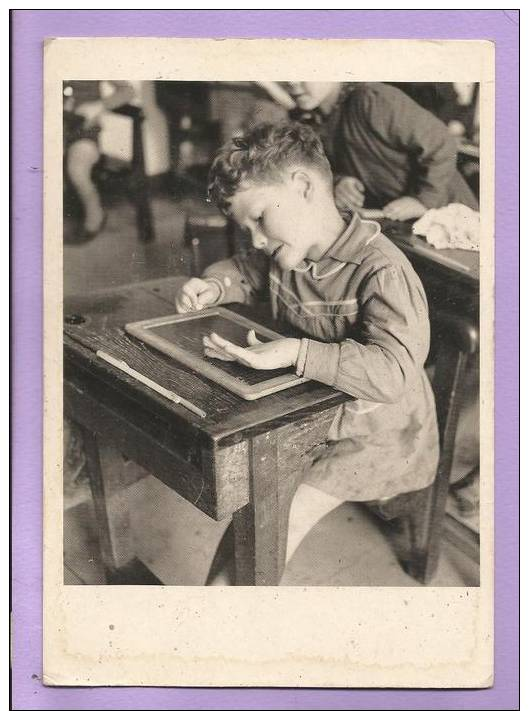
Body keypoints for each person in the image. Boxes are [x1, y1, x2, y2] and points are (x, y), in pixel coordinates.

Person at [175, 122, 440, 582]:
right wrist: (214, 285)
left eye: (259, 218)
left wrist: (298, 351)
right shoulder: (288, 252)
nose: (256, 238)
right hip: (314, 419)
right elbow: (245, 270)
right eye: (248, 228)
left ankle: (224, 612)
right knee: (255, 505)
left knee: (277, 518)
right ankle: (223, 601)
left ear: (302, 187)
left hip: (381, 434)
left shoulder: (382, 272)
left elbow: (392, 373)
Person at [282, 82, 478, 221]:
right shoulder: (312, 121)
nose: (292, 82)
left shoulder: (372, 100)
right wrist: (340, 181)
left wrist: (422, 200)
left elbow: (441, 142)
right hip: (399, 222)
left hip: (451, 217)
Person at [63, 80, 135, 238]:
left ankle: (95, 216)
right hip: (53, 131)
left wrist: (99, 105)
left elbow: (128, 91)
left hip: (83, 133)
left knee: (77, 169)